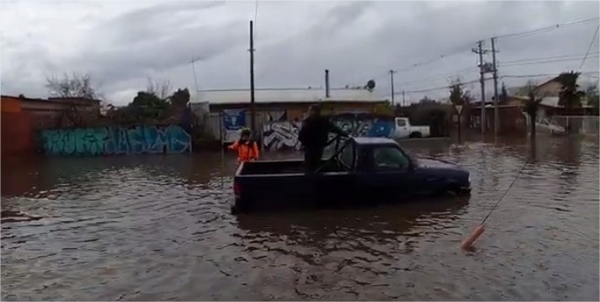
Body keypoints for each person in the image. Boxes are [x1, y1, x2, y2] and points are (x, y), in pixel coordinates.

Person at [298, 104, 348, 173]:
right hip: (314, 146)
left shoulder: (309, 122)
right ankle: (313, 176)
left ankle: (311, 177)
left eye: (312, 111)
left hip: (313, 146)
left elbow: (301, 135)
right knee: (313, 163)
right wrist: (344, 133)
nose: (311, 113)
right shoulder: (318, 121)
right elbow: (333, 128)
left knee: (311, 164)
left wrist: (304, 143)